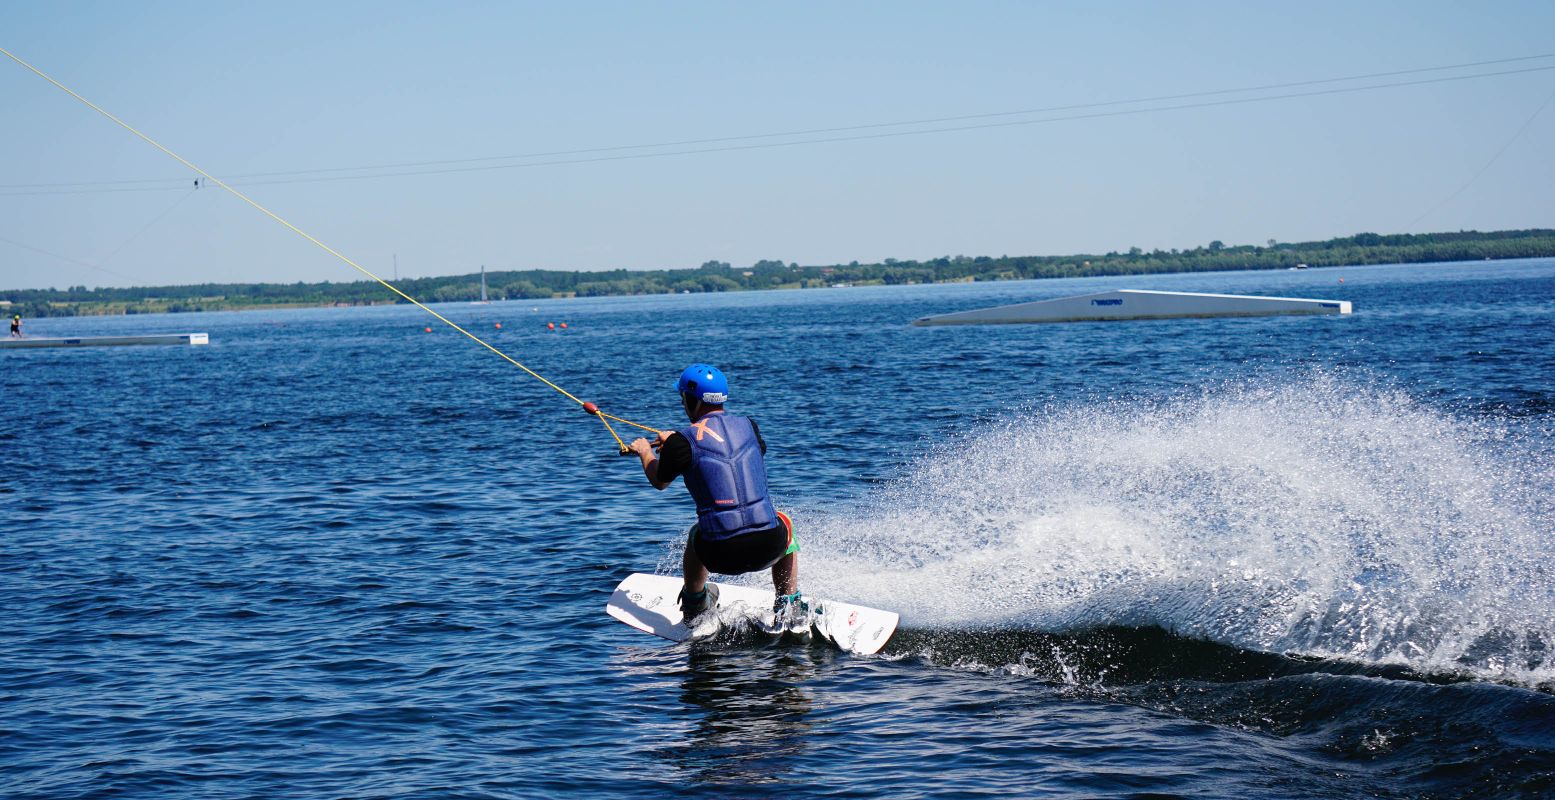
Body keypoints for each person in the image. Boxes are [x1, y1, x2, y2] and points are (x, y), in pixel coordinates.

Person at [628, 364, 806, 627]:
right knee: (784, 522)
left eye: (683, 399)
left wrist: (646, 451)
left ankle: (694, 604)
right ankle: (786, 605)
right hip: (770, 547)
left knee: (696, 534)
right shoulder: (749, 426)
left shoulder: (681, 441)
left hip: (719, 554)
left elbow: (659, 480)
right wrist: (675, 445)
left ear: (691, 400)